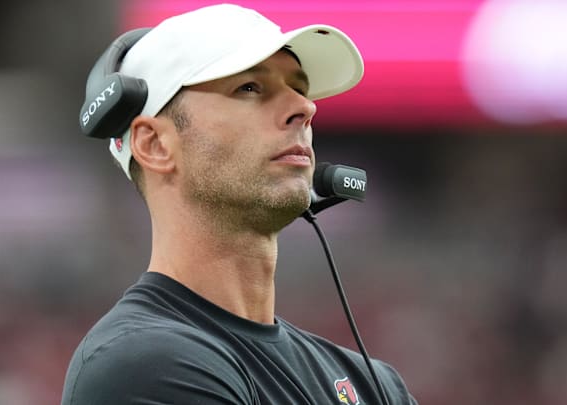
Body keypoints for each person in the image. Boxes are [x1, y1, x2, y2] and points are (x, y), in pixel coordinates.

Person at [62, 4, 417, 404]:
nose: (305, 107)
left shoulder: (375, 384)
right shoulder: (140, 365)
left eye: (298, 88)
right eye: (249, 88)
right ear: (155, 144)